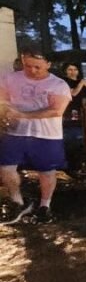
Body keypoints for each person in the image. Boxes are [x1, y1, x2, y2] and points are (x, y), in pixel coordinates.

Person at [0, 47, 73, 223]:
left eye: (37, 67)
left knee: (46, 171)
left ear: (48, 64)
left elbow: (56, 110)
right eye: (27, 66)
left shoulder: (58, 85)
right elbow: (2, 99)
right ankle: (18, 202)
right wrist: (5, 109)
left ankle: (44, 206)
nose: (32, 70)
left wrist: (24, 115)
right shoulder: (10, 79)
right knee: (5, 167)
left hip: (46, 135)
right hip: (14, 132)